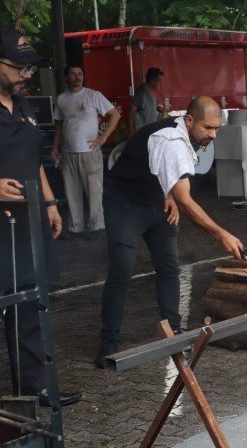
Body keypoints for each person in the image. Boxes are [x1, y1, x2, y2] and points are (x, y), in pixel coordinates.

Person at [96, 96, 244, 367]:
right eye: (207, 128)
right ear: (188, 120)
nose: (212, 135)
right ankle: (109, 340)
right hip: (125, 202)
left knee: (169, 265)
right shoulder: (171, 140)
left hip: (157, 200)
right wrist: (222, 233)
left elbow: (171, 178)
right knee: (122, 270)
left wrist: (170, 195)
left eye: (216, 129)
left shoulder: (189, 135)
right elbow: (187, 201)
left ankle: (172, 332)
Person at [0, 26, 82, 407]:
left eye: (28, 69)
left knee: (29, 308)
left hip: (27, 225)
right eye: (18, 68)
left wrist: (51, 204)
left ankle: (34, 390)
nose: (25, 75)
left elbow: (35, 161)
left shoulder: (23, 106)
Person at [51, 65, 121, 239]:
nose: (77, 77)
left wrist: (103, 138)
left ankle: (96, 227)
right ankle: (76, 228)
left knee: (94, 192)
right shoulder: (61, 99)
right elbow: (59, 125)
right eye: (73, 74)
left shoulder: (93, 95)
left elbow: (115, 115)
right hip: (69, 153)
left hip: (90, 152)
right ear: (66, 77)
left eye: (80, 74)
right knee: (71, 191)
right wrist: (55, 147)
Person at [128, 67, 164, 137]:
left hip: (149, 131)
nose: (160, 83)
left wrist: (157, 107)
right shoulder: (141, 92)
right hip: (142, 132)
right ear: (153, 80)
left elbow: (146, 105)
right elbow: (131, 111)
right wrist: (131, 130)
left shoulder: (148, 92)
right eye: (159, 81)